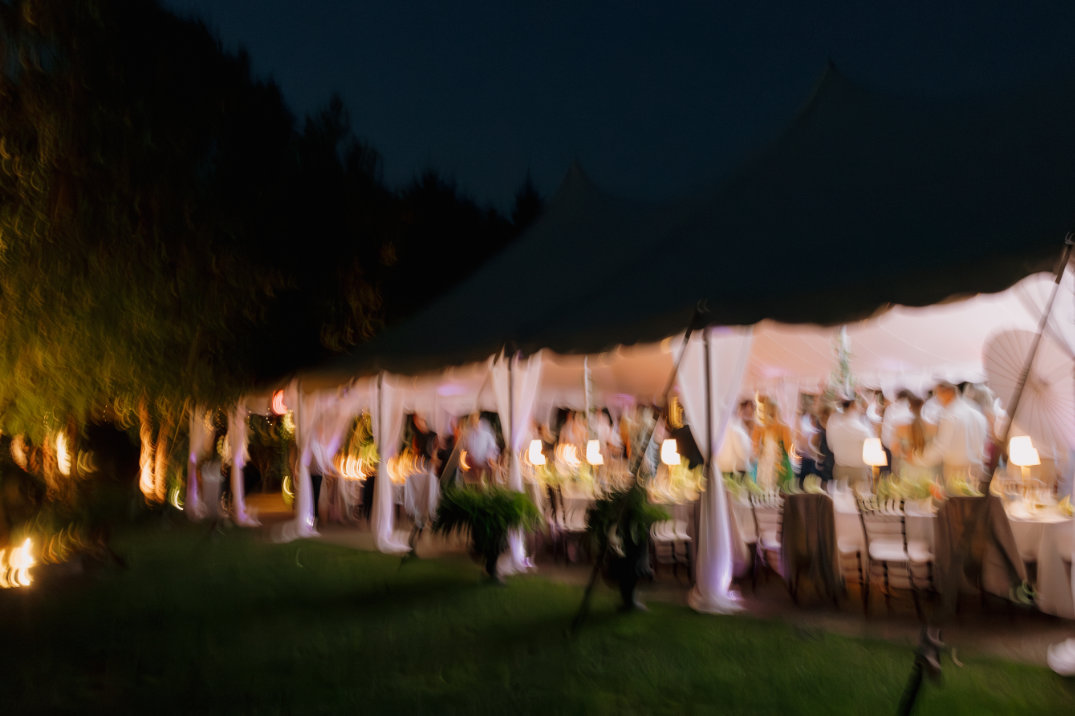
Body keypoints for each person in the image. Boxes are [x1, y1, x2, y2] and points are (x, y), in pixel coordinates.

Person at [920, 381, 988, 489]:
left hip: (957, 472)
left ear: (947, 391)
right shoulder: (975, 410)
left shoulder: (950, 415)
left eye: (937, 393)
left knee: (958, 503)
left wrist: (920, 460)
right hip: (978, 470)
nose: (937, 398)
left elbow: (941, 448)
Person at [826, 397, 875, 492]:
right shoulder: (862, 428)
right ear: (854, 405)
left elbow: (831, 446)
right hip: (859, 471)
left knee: (841, 501)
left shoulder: (834, 425)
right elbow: (871, 450)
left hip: (840, 469)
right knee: (859, 502)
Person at [892, 394, 937, 482]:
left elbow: (895, 450)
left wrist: (905, 454)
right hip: (927, 468)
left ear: (910, 407)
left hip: (907, 469)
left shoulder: (900, 427)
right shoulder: (933, 427)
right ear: (922, 406)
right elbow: (937, 450)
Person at [751, 397, 793, 491]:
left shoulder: (759, 428)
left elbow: (755, 450)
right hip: (781, 467)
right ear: (778, 411)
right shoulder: (784, 428)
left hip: (764, 469)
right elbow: (789, 450)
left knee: (766, 498)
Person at [717, 399, 753, 477]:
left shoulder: (719, 428)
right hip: (736, 470)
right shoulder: (736, 428)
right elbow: (743, 453)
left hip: (722, 468)